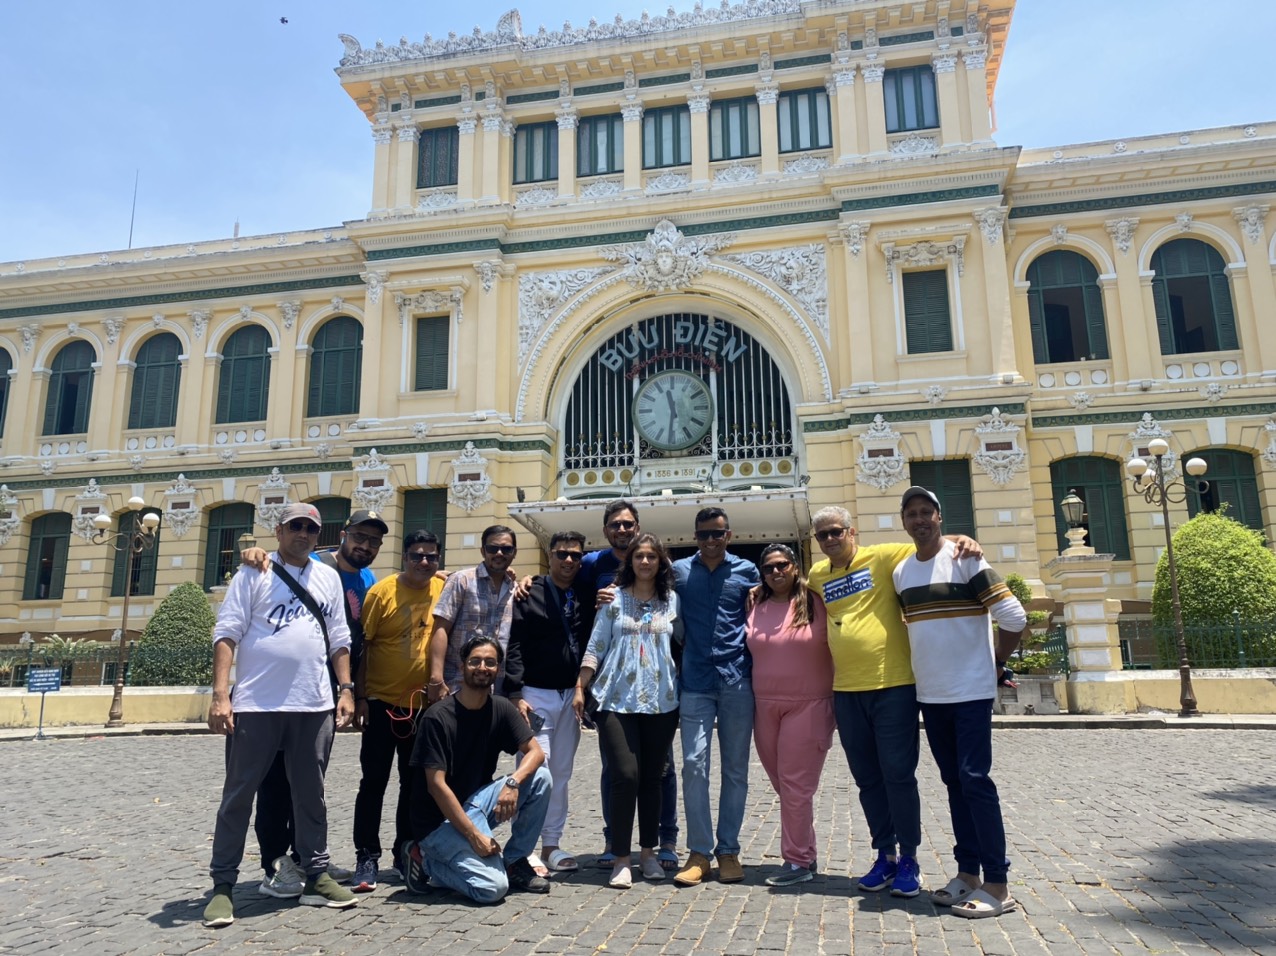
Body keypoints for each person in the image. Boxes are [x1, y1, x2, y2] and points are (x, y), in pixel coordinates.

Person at [806, 505, 981, 899]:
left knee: (898, 775)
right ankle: (884, 854)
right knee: (867, 778)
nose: (830, 540)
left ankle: (910, 859)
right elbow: (792, 591)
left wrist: (960, 540)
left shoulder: (882, 556)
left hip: (894, 686)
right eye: (822, 536)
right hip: (846, 691)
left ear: (852, 532)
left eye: (836, 532)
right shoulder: (818, 575)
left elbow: (928, 546)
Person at [203, 502, 358, 927]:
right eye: (296, 526)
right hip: (257, 703)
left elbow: (339, 639)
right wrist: (221, 695)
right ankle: (223, 886)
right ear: (279, 530)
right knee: (238, 796)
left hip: (314, 703)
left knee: (312, 796)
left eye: (311, 528)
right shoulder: (253, 572)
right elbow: (227, 632)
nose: (303, 533)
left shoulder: (327, 577)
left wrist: (345, 689)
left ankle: (316, 875)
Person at [893, 486, 1025, 919]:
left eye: (926, 511)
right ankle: (967, 874)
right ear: (904, 521)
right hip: (931, 693)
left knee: (975, 781)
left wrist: (997, 663)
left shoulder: (966, 559)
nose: (919, 519)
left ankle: (998, 884)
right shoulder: (902, 572)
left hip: (969, 691)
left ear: (939, 516)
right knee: (954, 783)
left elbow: (1014, 617)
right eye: (911, 513)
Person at [240, 508, 386, 897]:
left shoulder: (367, 578)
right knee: (274, 783)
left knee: (308, 783)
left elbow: (349, 637)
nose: (365, 546)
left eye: (374, 541)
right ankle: (276, 860)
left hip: (322, 693)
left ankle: (307, 858)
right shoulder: (317, 564)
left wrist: (349, 689)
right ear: (342, 534)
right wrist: (257, 552)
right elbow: (278, 563)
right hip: (278, 694)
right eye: (360, 537)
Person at [402, 635, 553, 903]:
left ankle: (516, 860)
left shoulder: (501, 708)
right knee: (492, 889)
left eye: (490, 662)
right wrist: (474, 837)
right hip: (437, 822)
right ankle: (423, 859)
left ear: (497, 670)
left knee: (540, 777)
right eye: (475, 661)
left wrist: (512, 783)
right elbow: (436, 786)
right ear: (462, 667)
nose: (482, 667)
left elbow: (536, 753)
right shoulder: (437, 717)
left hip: (477, 804)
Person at [575, 500, 680, 872]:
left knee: (653, 778)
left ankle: (649, 853)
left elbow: (685, 642)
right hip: (615, 698)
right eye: (640, 557)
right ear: (630, 561)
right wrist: (580, 686)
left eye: (652, 556)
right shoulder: (613, 598)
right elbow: (596, 644)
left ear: (660, 561)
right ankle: (621, 855)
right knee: (624, 774)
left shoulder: (672, 602)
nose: (646, 562)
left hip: (661, 702)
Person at [349, 529, 445, 892]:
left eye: (431, 556)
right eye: (417, 555)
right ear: (405, 557)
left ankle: (405, 850)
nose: (424, 562)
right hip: (380, 704)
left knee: (414, 784)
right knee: (373, 782)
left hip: (423, 707)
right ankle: (366, 855)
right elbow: (365, 648)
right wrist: (360, 697)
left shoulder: (442, 588)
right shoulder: (381, 592)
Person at [673, 507, 760, 886]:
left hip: (737, 677)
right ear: (696, 536)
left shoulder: (748, 572)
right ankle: (698, 852)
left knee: (735, 769)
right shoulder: (678, 572)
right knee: (693, 764)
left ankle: (728, 850)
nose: (711, 540)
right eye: (704, 534)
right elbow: (638, 583)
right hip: (694, 680)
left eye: (718, 534)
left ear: (729, 534)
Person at [746, 544, 834, 887]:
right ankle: (806, 851)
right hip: (764, 705)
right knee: (784, 785)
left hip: (810, 704)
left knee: (796, 786)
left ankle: (797, 862)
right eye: (768, 568)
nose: (776, 572)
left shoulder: (817, 600)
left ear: (795, 567)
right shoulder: (755, 603)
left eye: (782, 565)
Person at [506, 530, 590, 876]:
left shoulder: (586, 592)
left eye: (574, 555)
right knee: (534, 771)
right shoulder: (529, 592)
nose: (568, 560)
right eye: (561, 553)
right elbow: (514, 644)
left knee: (562, 773)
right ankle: (523, 848)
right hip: (535, 694)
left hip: (571, 696)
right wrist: (515, 694)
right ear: (549, 555)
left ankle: (551, 844)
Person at [428, 526, 518, 702]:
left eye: (506, 549)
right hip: (456, 686)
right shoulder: (462, 581)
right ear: (483, 551)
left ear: (514, 552)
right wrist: (436, 678)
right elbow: (440, 629)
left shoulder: (516, 590)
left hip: (498, 691)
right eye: (493, 548)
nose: (499, 553)